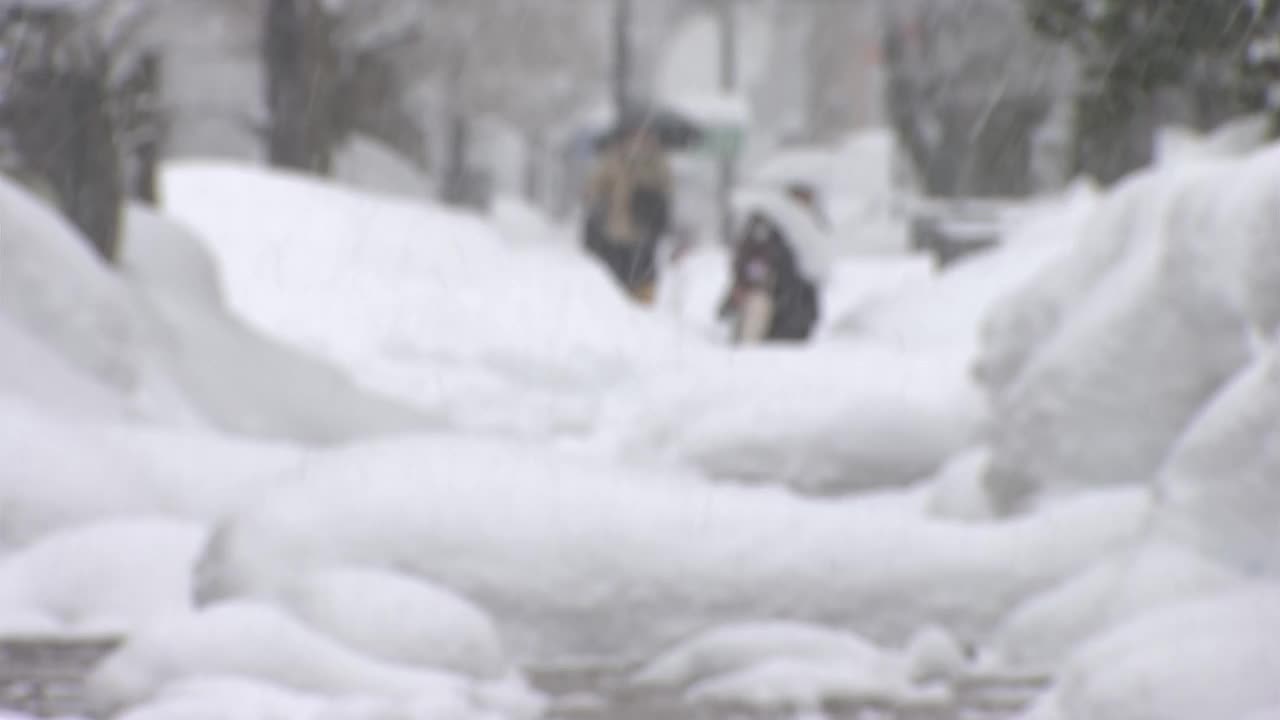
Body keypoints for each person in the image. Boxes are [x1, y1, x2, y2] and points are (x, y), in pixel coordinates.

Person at [719, 182, 828, 343]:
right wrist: (751, 281)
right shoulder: (768, 220)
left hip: (799, 300)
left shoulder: (813, 224)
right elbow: (752, 258)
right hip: (769, 295)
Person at [583, 121, 673, 304]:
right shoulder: (613, 160)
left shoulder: (656, 162)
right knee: (614, 277)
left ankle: (639, 310)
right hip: (614, 231)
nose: (638, 142)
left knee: (641, 277)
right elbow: (593, 189)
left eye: (644, 137)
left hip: (642, 231)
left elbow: (666, 187)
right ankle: (613, 306)